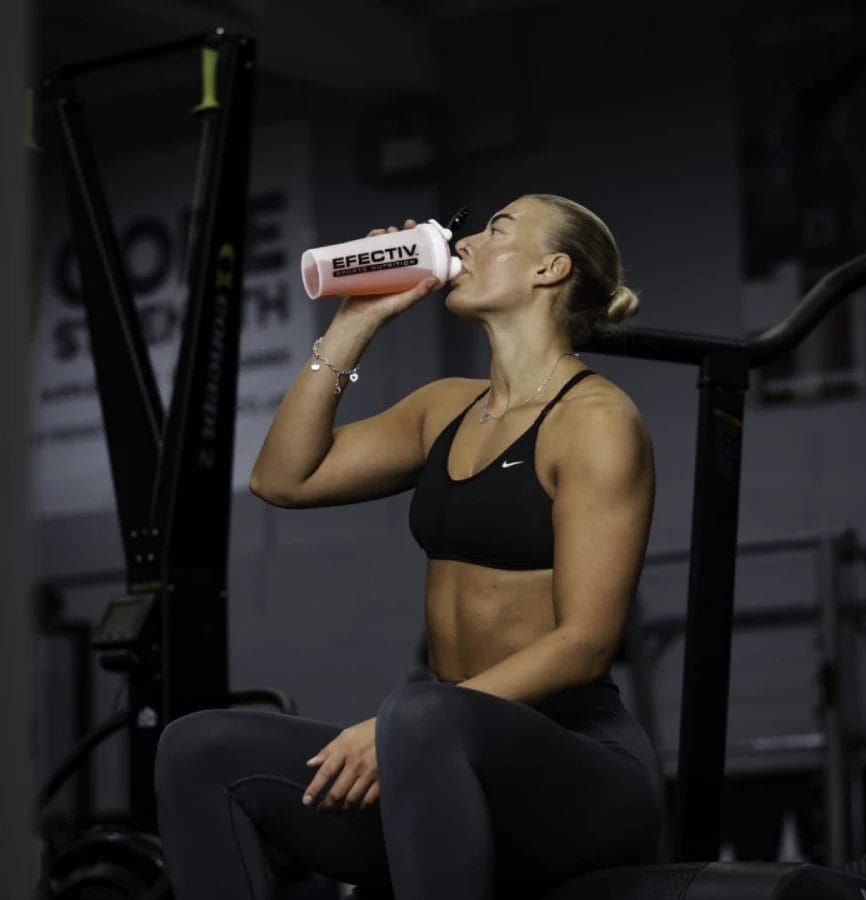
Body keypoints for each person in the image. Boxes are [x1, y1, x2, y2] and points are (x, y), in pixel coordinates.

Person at [153, 193, 665, 900]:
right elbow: (282, 478)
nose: (469, 242)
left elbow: (585, 644)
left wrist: (403, 729)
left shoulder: (596, 421)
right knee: (197, 750)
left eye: (497, 230)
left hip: (575, 763)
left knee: (420, 710)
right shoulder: (444, 407)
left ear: (550, 269)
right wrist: (355, 321)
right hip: (436, 753)